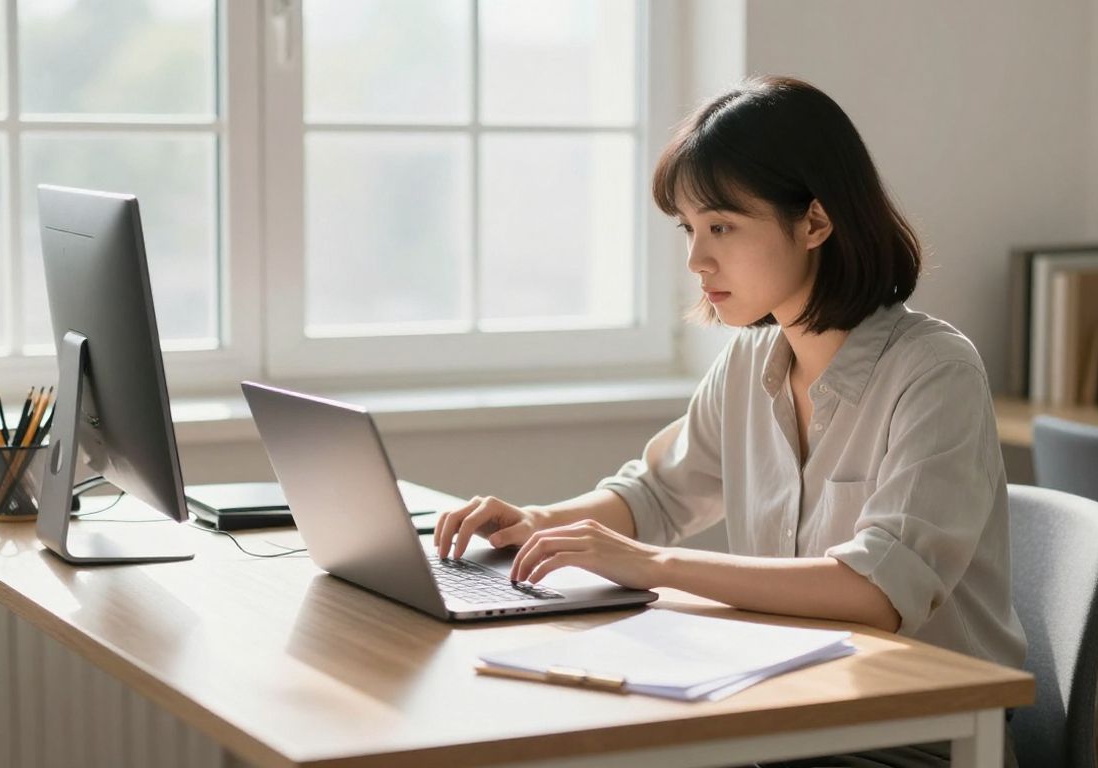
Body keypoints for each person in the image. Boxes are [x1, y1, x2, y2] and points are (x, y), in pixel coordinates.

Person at [434, 75, 1024, 767]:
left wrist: (651, 563)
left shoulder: (934, 370)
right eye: (690, 229)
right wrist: (538, 521)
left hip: (919, 737)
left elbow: (877, 592)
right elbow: (654, 495)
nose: (696, 258)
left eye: (721, 226)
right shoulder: (751, 360)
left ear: (815, 222)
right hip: (789, 710)